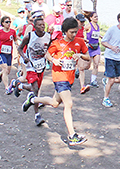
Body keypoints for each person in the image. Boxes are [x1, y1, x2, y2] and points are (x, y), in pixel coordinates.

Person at [22, 17, 89, 146]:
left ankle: (32, 100)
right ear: (65, 31)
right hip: (59, 77)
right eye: (71, 32)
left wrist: (80, 55)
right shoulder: (57, 43)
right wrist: (54, 60)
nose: (74, 34)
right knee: (68, 104)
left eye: (75, 32)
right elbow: (47, 54)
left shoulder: (79, 42)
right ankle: (72, 136)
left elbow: (87, 57)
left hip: (69, 79)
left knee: (54, 103)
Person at [10, 16, 51, 125]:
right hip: (30, 65)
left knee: (35, 88)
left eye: (43, 25)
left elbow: (49, 50)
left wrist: (50, 59)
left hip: (41, 65)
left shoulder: (48, 37)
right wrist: (24, 57)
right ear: (34, 27)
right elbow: (19, 48)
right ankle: (37, 115)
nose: (42, 26)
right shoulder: (29, 36)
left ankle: (20, 85)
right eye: (39, 25)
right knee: (36, 90)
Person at [101, 11, 120, 108]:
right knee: (112, 79)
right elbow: (103, 42)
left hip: (119, 58)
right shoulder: (112, 29)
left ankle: (107, 81)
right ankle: (106, 98)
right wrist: (111, 47)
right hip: (110, 58)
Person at [0, 16, 18, 93]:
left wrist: (17, 48)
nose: (8, 23)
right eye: (6, 22)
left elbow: (15, 40)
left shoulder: (12, 32)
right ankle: (7, 87)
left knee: (8, 71)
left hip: (9, 53)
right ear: (3, 23)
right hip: (2, 53)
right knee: (5, 69)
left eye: (9, 22)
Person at [74, 13, 91, 94]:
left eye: (83, 22)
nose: (82, 23)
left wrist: (84, 40)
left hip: (80, 48)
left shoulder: (82, 28)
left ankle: (82, 86)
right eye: (81, 22)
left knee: (82, 68)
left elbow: (81, 37)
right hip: (72, 49)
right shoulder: (73, 28)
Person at [84, 11, 101, 87]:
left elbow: (96, 34)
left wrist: (101, 37)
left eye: (97, 16)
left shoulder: (97, 26)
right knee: (87, 65)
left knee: (96, 64)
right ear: (90, 18)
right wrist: (84, 40)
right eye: (95, 17)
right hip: (89, 47)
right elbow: (81, 31)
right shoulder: (88, 26)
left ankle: (93, 80)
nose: (97, 18)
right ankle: (79, 69)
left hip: (96, 47)